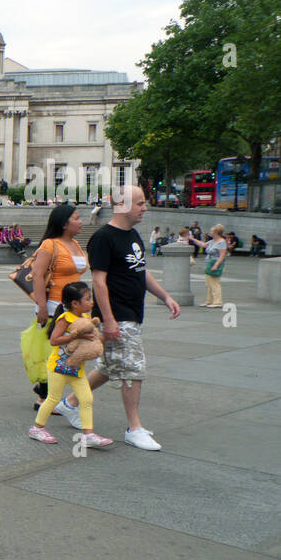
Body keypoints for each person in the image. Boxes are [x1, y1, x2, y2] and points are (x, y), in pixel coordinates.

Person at [56, 186, 180, 450]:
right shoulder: (103, 238)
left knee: (109, 366)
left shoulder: (133, 235)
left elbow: (141, 271)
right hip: (118, 314)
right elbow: (98, 282)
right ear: (122, 205)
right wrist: (109, 320)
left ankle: (69, 404)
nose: (144, 208)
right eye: (139, 203)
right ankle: (133, 428)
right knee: (133, 368)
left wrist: (166, 296)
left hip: (132, 313)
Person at [29, 282, 112, 447]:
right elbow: (54, 340)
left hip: (76, 368)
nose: (91, 302)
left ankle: (88, 434)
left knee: (86, 398)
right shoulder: (65, 318)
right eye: (88, 299)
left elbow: (92, 338)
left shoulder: (86, 318)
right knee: (52, 398)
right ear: (75, 303)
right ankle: (37, 428)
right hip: (58, 367)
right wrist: (75, 335)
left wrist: (104, 337)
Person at [29, 204, 88, 413]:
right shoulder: (49, 245)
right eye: (76, 218)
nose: (81, 221)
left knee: (69, 350)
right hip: (55, 305)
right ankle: (44, 397)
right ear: (64, 223)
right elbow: (37, 274)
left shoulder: (76, 244)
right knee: (55, 351)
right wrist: (41, 305)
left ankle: (54, 395)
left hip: (75, 306)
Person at [187, 224, 228, 308]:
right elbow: (203, 245)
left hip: (215, 263)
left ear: (216, 232)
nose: (210, 232)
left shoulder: (221, 242)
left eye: (211, 231)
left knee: (214, 283)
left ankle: (217, 302)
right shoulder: (212, 241)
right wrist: (192, 239)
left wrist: (216, 265)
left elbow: (222, 255)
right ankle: (209, 301)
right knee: (208, 284)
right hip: (209, 263)